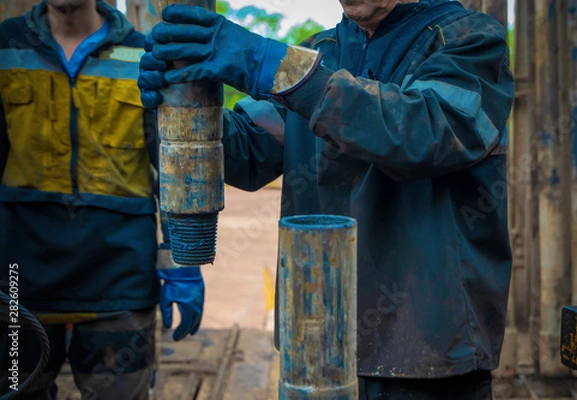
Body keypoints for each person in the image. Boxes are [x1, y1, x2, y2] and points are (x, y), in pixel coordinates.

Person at [139, 0, 514, 398]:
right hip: (317, 342)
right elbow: (246, 152)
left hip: (428, 351)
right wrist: (169, 102)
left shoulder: (470, 41)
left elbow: (423, 133)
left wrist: (268, 63)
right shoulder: (322, 53)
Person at [0, 0, 204, 398]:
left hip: (119, 274)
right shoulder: (6, 46)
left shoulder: (146, 54)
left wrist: (181, 263)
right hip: (20, 277)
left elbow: (174, 164)